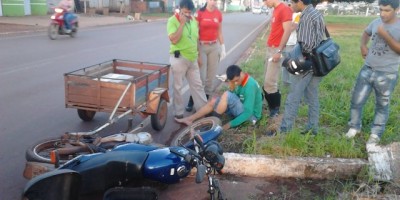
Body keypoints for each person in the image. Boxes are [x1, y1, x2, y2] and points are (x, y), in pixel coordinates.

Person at [345, 0, 400, 143]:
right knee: (356, 101)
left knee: (382, 105)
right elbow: (366, 33)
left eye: (387, 10)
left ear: (397, 9)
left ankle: (376, 133)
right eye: (380, 9)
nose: (382, 13)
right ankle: (354, 127)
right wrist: (363, 45)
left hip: (387, 74)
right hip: (367, 68)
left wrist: (385, 34)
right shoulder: (376, 22)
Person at [278, 0, 325, 136]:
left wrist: (294, 60)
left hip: (307, 64)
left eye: (291, 3)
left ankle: (285, 130)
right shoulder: (316, 13)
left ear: (299, 2)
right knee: (312, 97)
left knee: (293, 96)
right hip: (317, 62)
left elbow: (307, 46)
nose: (290, 6)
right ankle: (313, 128)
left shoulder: (306, 16)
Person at [176, 65, 263, 130]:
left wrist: (229, 125)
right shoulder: (240, 81)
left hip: (251, 117)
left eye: (236, 80)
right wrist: (232, 87)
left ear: (241, 73)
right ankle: (190, 119)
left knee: (226, 95)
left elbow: (247, 113)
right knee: (213, 101)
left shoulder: (250, 86)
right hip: (241, 109)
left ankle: (214, 125)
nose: (236, 83)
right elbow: (236, 96)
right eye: (233, 81)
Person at [167, 0, 208, 119]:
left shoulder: (194, 21)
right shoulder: (172, 21)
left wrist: (199, 56)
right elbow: (174, 39)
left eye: (190, 13)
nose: (188, 15)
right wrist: (182, 24)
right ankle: (178, 113)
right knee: (178, 87)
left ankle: (203, 110)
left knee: (198, 85)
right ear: (180, 10)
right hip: (179, 58)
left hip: (193, 58)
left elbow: (195, 40)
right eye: (185, 12)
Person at [185, 0, 226, 112]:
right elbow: (194, 32)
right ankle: (191, 100)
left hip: (214, 47)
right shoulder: (200, 13)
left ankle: (205, 103)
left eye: (215, 0)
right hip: (201, 47)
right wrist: (196, 51)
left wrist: (223, 47)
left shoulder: (218, 13)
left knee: (210, 78)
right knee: (200, 78)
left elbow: (219, 32)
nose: (214, 2)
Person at [262, 0, 293, 117]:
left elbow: (288, 30)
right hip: (270, 48)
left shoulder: (284, 9)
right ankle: (269, 105)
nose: (265, 4)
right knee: (266, 80)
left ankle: (275, 109)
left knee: (270, 81)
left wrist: (279, 51)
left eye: (265, 1)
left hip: (276, 50)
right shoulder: (276, 9)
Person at [281, 4, 301, 87]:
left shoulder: (298, 15)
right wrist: (289, 26)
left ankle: (293, 83)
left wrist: (286, 27)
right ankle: (286, 82)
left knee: (292, 64)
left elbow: (294, 26)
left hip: (292, 43)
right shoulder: (286, 15)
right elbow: (288, 27)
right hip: (283, 43)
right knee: (284, 64)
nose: (290, 7)